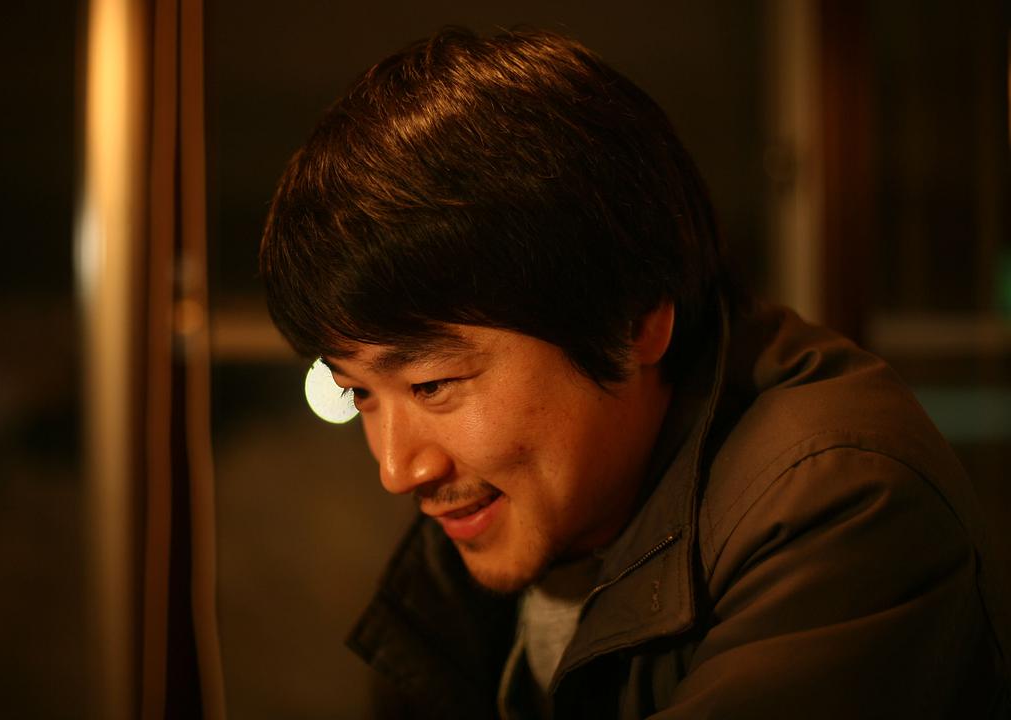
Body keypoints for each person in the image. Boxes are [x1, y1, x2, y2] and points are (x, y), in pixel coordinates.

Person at [259, 26, 1010, 719]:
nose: (398, 468)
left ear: (635, 321)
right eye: (359, 393)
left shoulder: (840, 503)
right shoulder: (504, 514)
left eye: (431, 384)